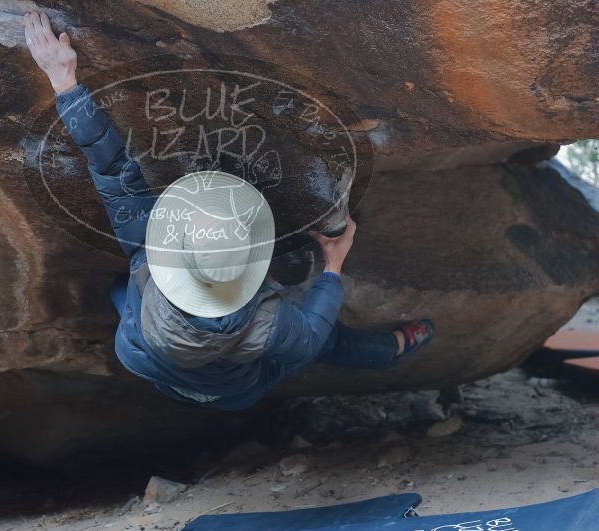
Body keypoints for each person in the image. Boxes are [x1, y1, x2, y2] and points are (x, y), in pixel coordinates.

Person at [23, 12, 435, 411]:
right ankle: (392, 350)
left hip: (155, 364)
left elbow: (111, 166)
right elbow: (310, 336)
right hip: (237, 388)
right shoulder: (268, 323)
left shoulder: (148, 254)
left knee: (119, 289)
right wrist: (333, 266)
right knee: (329, 343)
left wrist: (64, 81)